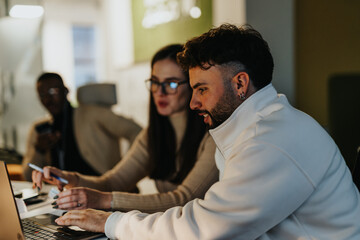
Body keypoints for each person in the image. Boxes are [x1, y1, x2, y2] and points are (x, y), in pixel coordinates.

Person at [53, 24, 360, 239]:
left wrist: (112, 223)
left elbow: (205, 229)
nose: (193, 101)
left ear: (240, 84)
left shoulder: (269, 141)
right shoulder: (260, 126)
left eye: (201, 89)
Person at [32, 44, 218, 214]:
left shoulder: (213, 135)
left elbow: (183, 199)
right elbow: (113, 182)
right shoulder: (154, 133)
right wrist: (69, 178)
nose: (159, 92)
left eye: (170, 84)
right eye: (154, 82)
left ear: (192, 85)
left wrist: (104, 200)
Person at [22, 72, 142, 180]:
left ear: (66, 91)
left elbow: (137, 131)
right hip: (63, 196)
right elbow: (27, 177)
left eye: (53, 91)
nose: (48, 100)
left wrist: (126, 174)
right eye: (42, 95)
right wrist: (39, 150)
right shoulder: (40, 128)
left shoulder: (92, 114)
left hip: (101, 190)